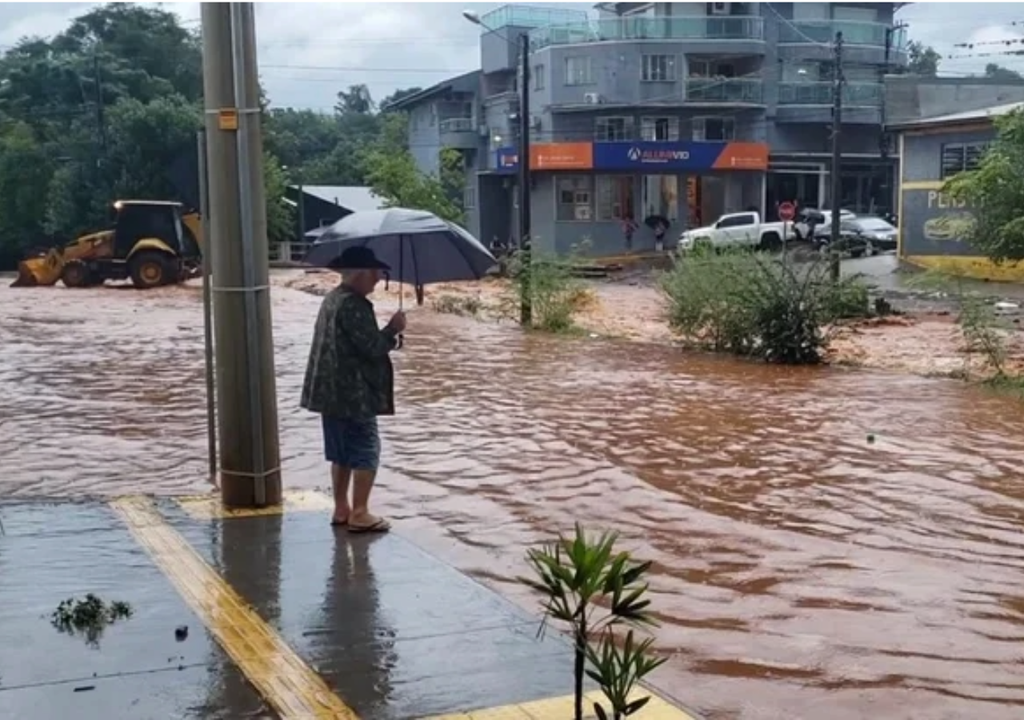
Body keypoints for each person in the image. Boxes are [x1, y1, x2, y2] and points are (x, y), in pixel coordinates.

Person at [300, 246, 406, 533]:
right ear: (360, 273)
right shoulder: (355, 305)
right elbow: (370, 347)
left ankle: (341, 508)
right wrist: (392, 329)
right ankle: (360, 512)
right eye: (374, 273)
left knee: (341, 452)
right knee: (366, 449)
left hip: (329, 393)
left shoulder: (332, 300)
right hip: (354, 393)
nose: (376, 279)